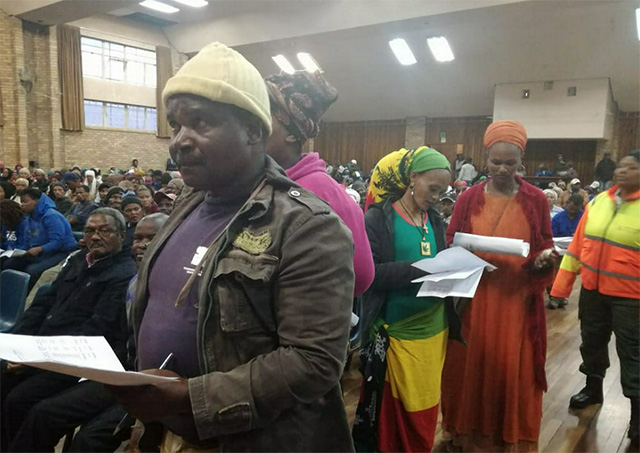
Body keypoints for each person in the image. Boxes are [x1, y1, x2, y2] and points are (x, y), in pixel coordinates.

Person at [106, 42, 355, 451]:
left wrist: (190, 397)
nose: (179, 142)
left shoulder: (306, 226)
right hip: (162, 431)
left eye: (200, 123)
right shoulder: (187, 206)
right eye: (175, 125)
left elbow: (313, 363)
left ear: (254, 130)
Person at [7, 213, 169, 453]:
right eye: (139, 238)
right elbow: (43, 305)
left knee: (49, 417)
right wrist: (19, 345)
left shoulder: (129, 276)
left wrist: (38, 360)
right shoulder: (91, 265)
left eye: (104, 231)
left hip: (125, 372)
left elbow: (97, 330)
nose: (142, 244)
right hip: (105, 365)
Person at [441, 120, 556, 451]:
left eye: (510, 162)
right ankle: (465, 434)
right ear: (485, 159)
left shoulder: (536, 200)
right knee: (469, 366)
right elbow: (452, 239)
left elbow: (543, 244)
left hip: (515, 301)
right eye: (495, 162)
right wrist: (459, 251)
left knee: (510, 368)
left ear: (522, 160)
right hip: (476, 299)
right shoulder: (468, 199)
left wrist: (542, 260)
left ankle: (506, 437)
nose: (502, 169)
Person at [352, 147, 462, 453]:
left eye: (443, 191)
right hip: (395, 330)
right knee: (392, 411)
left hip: (433, 330)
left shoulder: (435, 220)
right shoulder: (378, 218)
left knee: (425, 405)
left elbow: (440, 266)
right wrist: (420, 269)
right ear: (413, 177)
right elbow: (369, 274)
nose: (437, 197)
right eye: (433, 188)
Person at [550, 151, 640, 444]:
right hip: (592, 291)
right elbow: (577, 246)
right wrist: (561, 288)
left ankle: (638, 413)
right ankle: (593, 388)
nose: (622, 171)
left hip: (631, 297)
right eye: (622, 165)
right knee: (591, 342)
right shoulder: (599, 202)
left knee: (633, 353)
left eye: (632, 167)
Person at [264, 70, 374, 297]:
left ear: (292, 134)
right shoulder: (258, 181)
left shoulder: (323, 193)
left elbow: (361, 276)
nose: (252, 126)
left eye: (265, 116)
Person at [2, 188, 77, 288]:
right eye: (21, 202)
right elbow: (27, 240)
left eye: (25, 201)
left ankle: (27, 298)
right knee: (10, 263)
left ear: (37, 201)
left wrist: (40, 249)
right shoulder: (30, 217)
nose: (22, 205)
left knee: (32, 270)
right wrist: (20, 252)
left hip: (61, 252)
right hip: (40, 252)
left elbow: (58, 241)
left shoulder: (51, 215)